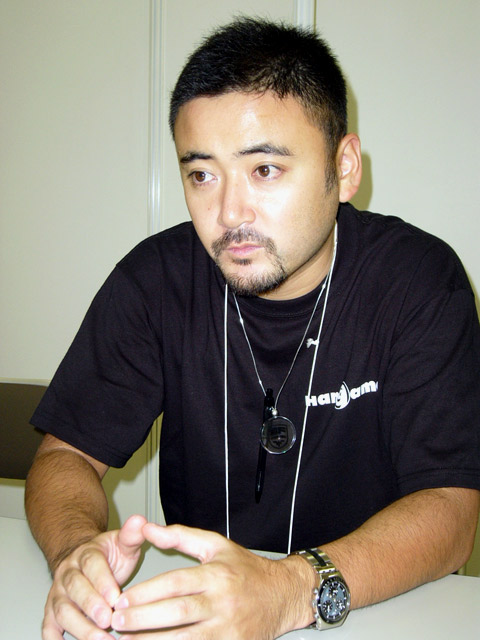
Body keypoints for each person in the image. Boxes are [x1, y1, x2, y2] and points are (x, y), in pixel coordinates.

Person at [25, 17, 480, 640]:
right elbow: (64, 457)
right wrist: (74, 551)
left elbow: (452, 511)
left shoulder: (419, 281)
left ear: (344, 167)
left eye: (264, 169)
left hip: (380, 611)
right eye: (201, 175)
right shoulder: (154, 280)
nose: (228, 214)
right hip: (201, 615)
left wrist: (288, 590)